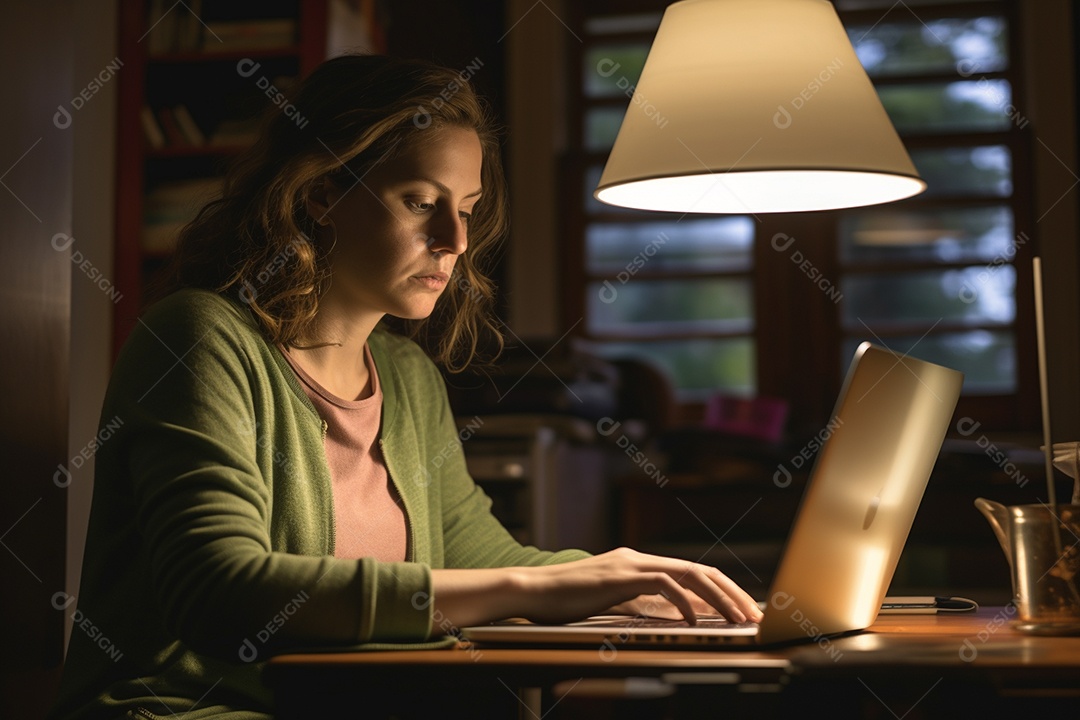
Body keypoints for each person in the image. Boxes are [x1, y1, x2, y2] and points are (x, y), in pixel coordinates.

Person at [50, 54, 761, 720]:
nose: (454, 237)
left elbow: (479, 559)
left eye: (469, 207)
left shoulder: (406, 375)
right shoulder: (198, 337)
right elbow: (218, 591)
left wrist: (623, 579)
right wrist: (538, 590)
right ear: (322, 194)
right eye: (420, 201)